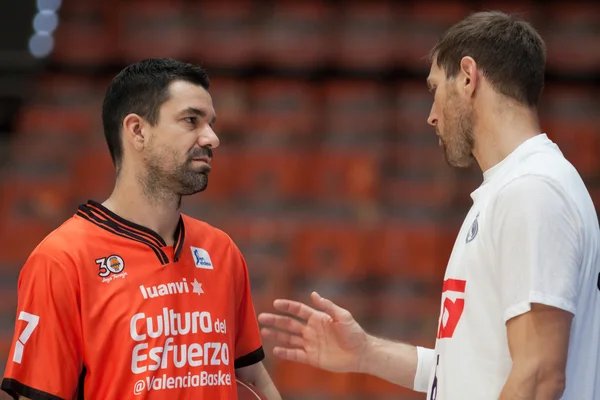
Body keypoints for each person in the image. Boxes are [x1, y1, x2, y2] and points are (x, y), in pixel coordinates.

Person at [258, 11, 600, 400]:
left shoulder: (532, 190)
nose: (431, 115)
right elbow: (468, 367)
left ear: (468, 77)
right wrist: (367, 352)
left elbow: (539, 377)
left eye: (435, 88)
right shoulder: (514, 189)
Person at [1, 58, 281, 400]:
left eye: (211, 123)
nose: (212, 138)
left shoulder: (220, 249)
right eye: (191, 120)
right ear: (137, 131)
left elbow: (251, 376)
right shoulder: (62, 260)